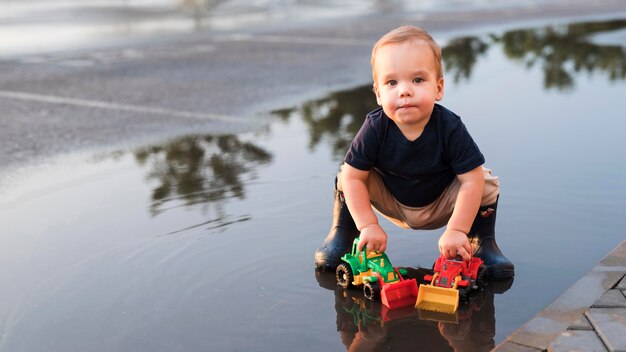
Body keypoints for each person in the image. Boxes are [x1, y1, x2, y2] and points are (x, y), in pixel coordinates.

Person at [314, 25, 514, 280]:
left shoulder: (449, 127)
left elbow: (470, 180)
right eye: (392, 82)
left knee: (483, 181)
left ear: (438, 88)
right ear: (378, 93)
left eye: (418, 80)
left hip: (442, 202)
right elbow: (354, 178)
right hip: (392, 200)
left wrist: (456, 229)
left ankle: (480, 245)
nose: (404, 90)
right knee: (348, 175)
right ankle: (344, 236)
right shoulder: (375, 127)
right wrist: (369, 224)